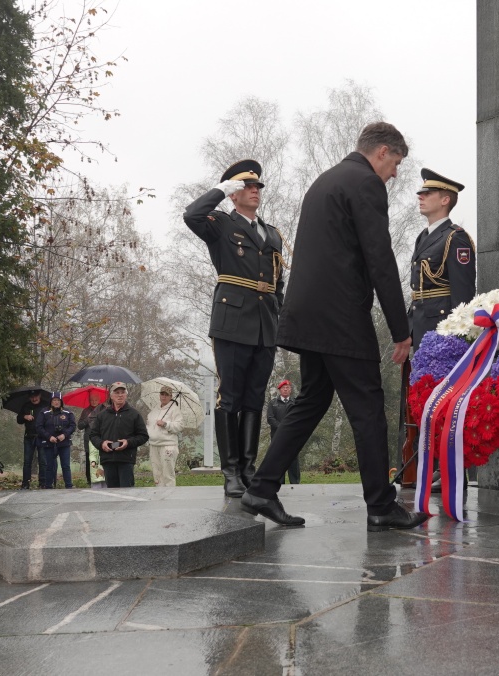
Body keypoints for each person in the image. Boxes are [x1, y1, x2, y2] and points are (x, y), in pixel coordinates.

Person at [241, 122, 426, 533]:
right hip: (339, 317)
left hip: (309, 313)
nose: (395, 173)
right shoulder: (364, 184)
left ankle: (262, 488)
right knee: (368, 410)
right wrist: (401, 329)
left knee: (312, 401)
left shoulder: (325, 181)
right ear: (381, 152)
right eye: (395, 163)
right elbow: (379, 258)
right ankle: (381, 505)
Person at [183, 159, 284, 499]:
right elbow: (191, 215)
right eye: (247, 185)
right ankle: (229, 472)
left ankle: (248, 468)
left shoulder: (272, 234)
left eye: (257, 186)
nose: (255, 190)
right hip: (232, 321)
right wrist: (222, 189)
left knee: (255, 398)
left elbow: (277, 283)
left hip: (264, 324)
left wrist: (278, 318)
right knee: (231, 399)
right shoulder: (221, 225)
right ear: (234, 192)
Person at [409, 168, 476, 347]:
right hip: (420, 324)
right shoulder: (423, 236)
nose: (420, 197)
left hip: (441, 328)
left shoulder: (456, 237)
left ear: (445, 200)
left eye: (427, 193)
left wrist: (458, 335)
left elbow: (463, 293)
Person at [89, 382, 149, 488]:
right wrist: (102, 443)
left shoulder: (134, 414)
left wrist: (128, 442)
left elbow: (143, 436)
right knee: (113, 494)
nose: (120, 395)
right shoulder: (102, 415)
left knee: (127, 491)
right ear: (111, 396)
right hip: (108, 459)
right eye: (117, 392)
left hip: (126, 459)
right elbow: (93, 435)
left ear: (126, 395)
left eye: (122, 392)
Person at [37, 392, 77, 489]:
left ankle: (69, 485)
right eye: (54, 400)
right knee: (49, 466)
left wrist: (65, 434)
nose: (56, 402)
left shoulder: (67, 412)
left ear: (61, 402)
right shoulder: (44, 412)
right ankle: (48, 485)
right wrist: (49, 437)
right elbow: (38, 427)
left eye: (58, 400)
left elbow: (73, 426)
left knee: (66, 465)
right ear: (51, 401)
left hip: (64, 443)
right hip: (49, 443)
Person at [147, 385, 184, 488]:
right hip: (154, 444)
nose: (164, 397)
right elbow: (149, 423)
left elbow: (180, 426)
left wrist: (166, 424)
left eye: (166, 395)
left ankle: (169, 497)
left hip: (168, 445)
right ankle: (159, 496)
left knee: (168, 473)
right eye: (162, 394)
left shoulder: (175, 409)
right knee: (157, 473)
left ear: (171, 396)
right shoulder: (155, 409)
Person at [266, 380, 299, 484]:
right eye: (283, 387)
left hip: (292, 435)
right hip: (277, 435)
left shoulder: (295, 402)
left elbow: (298, 417)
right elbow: (270, 418)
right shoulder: (273, 403)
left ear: (290, 390)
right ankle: (279, 482)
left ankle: (295, 482)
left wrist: (289, 428)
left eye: (288, 387)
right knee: (278, 458)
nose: (286, 389)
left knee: (293, 459)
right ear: (279, 390)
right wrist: (282, 428)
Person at [16, 390, 45, 489]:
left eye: (36, 396)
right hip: (29, 437)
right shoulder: (26, 406)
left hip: (42, 437)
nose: (34, 398)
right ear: (29, 397)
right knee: (27, 461)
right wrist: (25, 416)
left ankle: (42, 483)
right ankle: (25, 483)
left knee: (42, 461)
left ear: (40, 395)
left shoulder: (45, 405)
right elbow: (18, 419)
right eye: (32, 397)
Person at [77, 390, 106, 487]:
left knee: (102, 459)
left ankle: (103, 478)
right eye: (92, 400)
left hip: (101, 438)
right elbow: (80, 426)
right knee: (90, 459)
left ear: (99, 400)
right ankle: (90, 480)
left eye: (96, 400)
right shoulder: (85, 411)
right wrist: (87, 419)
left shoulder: (104, 409)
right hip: (88, 439)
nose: (94, 402)